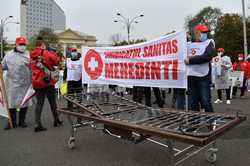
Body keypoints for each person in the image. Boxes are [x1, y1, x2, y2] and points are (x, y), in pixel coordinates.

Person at [30, 37, 62, 132]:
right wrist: (54, 54)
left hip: (36, 81)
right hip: (47, 81)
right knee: (52, 102)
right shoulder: (46, 53)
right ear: (42, 45)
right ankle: (56, 120)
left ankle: (37, 124)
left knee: (39, 103)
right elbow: (56, 62)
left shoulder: (31, 55)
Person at [1, 37, 31, 130]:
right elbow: (3, 66)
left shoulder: (28, 55)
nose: (22, 46)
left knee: (24, 103)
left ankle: (22, 121)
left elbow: (32, 67)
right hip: (12, 83)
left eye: (24, 44)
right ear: (16, 45)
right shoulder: (9, 55)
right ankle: (11, 122)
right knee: (11, 104)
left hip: (24, 83)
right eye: (20, 44)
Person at [185, 24, 215, 112]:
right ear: (196, 33)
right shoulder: (188, 44)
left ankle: (211, 123)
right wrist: (185, 37)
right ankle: (195, 124)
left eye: (206, 32)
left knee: (206, 101)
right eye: (203, 32)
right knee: (192, 103)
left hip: (203, 77)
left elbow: (207, 56)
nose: (205, 34)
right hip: (190, 77)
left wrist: (191, 60)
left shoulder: (209, 42)